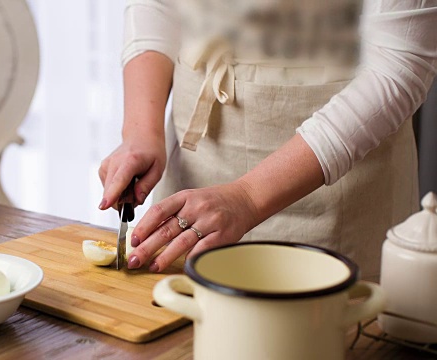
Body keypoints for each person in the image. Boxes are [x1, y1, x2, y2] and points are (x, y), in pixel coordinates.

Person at [98, 0, 437, 281]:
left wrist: (248, 196)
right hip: (196, 170)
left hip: (342, 194)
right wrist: (141, 131)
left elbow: (400, 62)